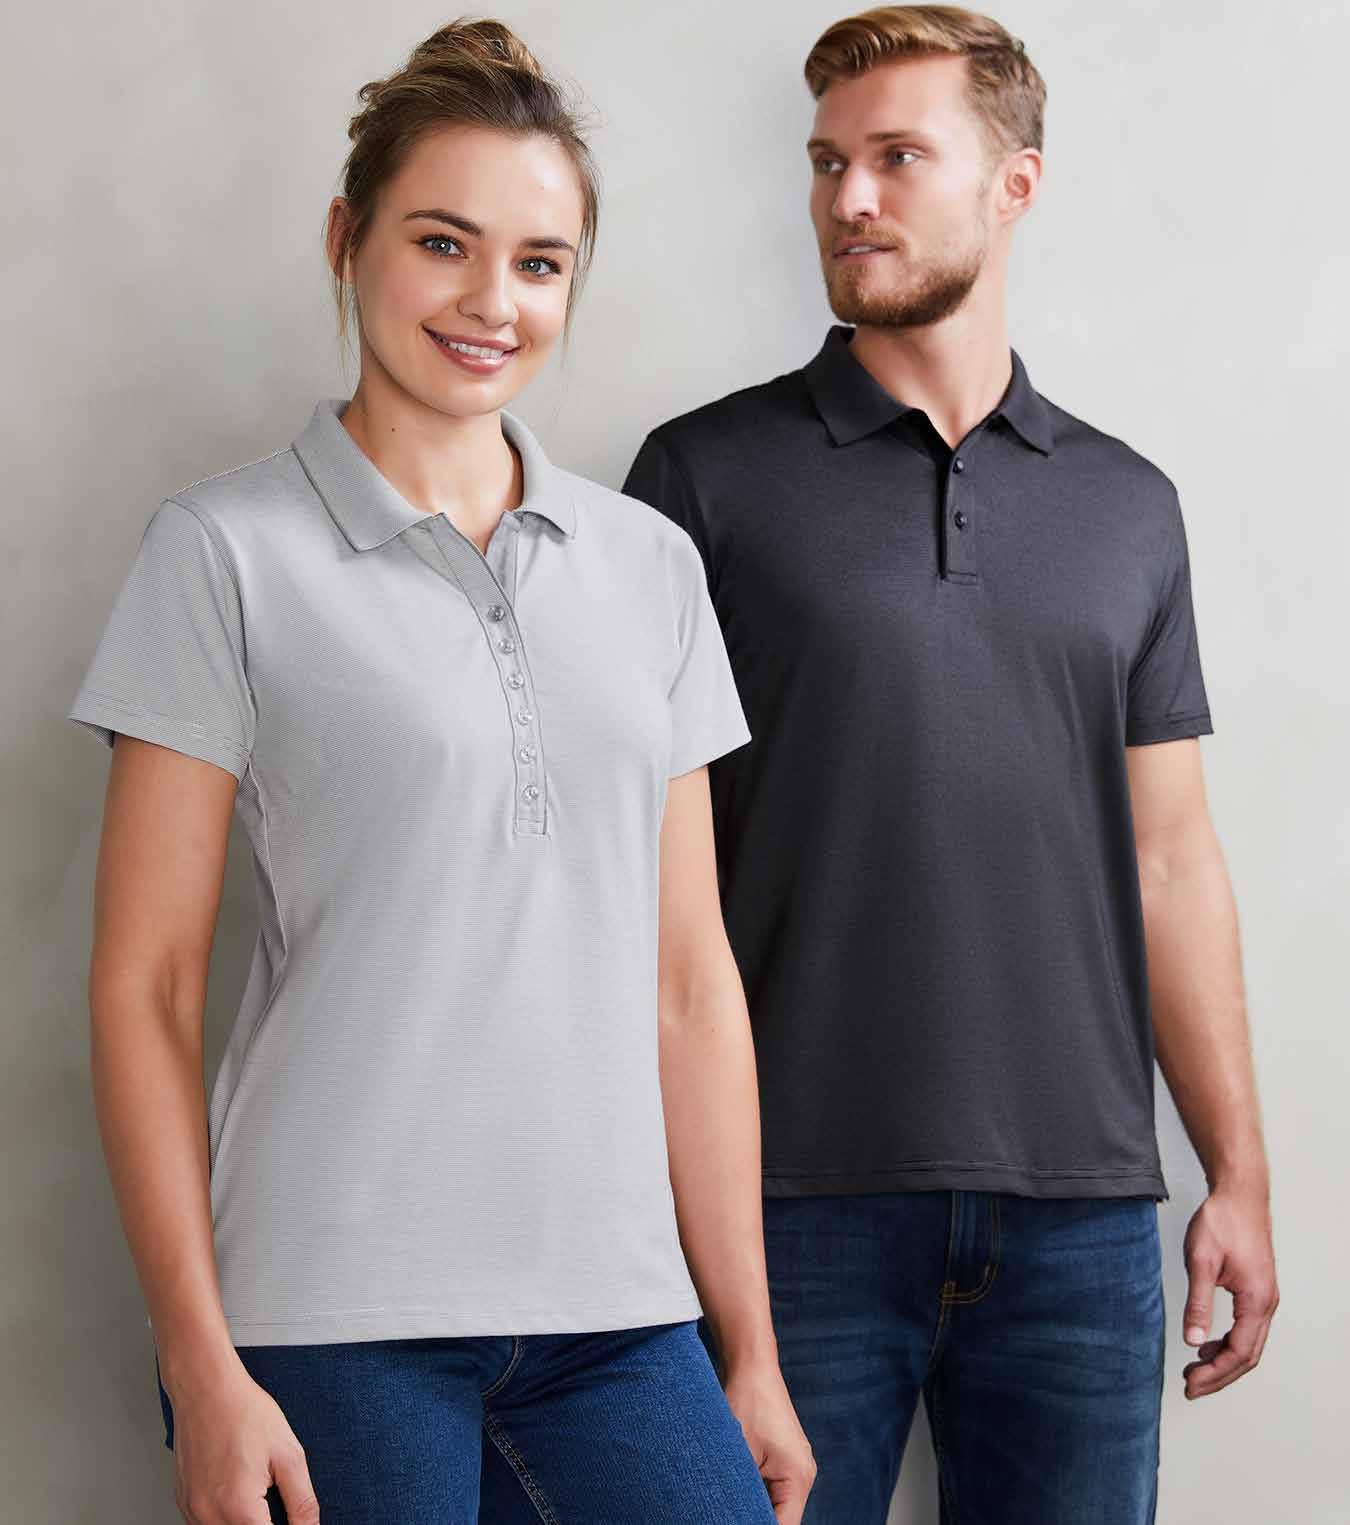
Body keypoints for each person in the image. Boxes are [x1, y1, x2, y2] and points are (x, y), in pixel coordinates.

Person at [66, 18, 814, 1525]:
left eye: (539, 262)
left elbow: (689, 983)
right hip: (324, 1316)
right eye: (442, 243)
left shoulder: (650, 566)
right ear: (346, 241)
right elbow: (148, 985)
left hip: (620, 1311)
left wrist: (747, 1347)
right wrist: (201, 1364)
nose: (491, 302)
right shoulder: (219, 552)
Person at [620, 6, 1278, 1522]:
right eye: (826, 163)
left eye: (897, 158)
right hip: (781, 1206)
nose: (847, 200)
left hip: (1085, 1220)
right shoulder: (699, 479)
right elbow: (630, 883)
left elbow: (1171, 858)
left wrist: (1234, 1172)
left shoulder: (1128, 503)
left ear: (1014, 184)